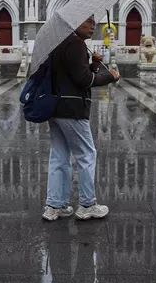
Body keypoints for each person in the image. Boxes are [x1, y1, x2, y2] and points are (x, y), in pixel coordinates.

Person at [42, 16, 121, 221]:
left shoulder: (58, 44)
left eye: (94, 22)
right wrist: (109, 76)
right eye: (88, 21)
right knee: (86, 154)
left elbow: (74, 75)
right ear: (74, 22)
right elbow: (83, 80)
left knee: (59, 157)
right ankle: (87, 204)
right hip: (73, 108)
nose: (93, 26)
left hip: (55, 107)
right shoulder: (76, 43)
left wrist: (94, 65)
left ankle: (54, 206)